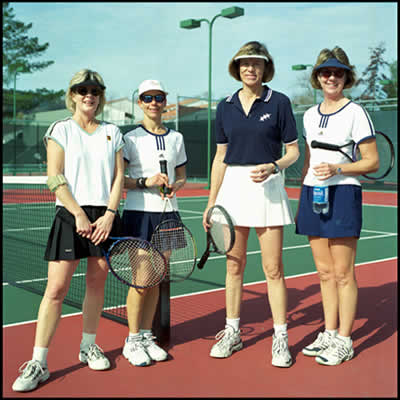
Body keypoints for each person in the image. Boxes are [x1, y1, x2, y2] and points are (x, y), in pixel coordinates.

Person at [12, 69, 125, 392]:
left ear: (100, 96)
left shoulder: (113, 132)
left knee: (96, 284)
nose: (89, 95)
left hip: (103, 218)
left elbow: (118, 177)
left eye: (95, 91)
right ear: (72, 95)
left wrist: (109, 215)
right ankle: (39, 362)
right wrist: (77, 214)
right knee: (56, 289)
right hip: (70, 215)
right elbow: (55, 177)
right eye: (82, 90)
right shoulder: (60, 129)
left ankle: (88, 345)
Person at [203, 41, 300, 367]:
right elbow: (220, 157)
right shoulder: (225, 106)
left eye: (257, 63)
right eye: (245, 63)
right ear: (237, 68)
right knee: (234, 266)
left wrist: (274, 166)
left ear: (265, 68)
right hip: (232, 190)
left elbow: (293, 152)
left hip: (268, 188)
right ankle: (232, 332)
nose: (250, 68)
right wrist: (211, 202)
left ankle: (280, 337)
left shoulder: (280, 102)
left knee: (273, 269)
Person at [295, 47, 379, 366]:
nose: (332, 77)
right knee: (324, 272)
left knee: (343, 273)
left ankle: (345, 340)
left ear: (346, 77)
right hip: (312, 194)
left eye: (338, 72)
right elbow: (309, 159)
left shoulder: (356, 112)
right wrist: (302, 193)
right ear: (317, 77)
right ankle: (329, 332)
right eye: (326, 72)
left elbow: (372, 161)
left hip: (343, 194)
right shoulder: (308, 115)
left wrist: (338, 169)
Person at [121, 79, 188, 366]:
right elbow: (119, 180)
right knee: (141, 279)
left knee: (157, 278)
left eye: (158, 98)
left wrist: (175, 186)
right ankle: (132, 339)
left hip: (168, 213)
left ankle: (147, 336)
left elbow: (182, 176)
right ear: (140, 102)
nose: (153, 103)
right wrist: (144, 182)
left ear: (165, 102)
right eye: (147, 98)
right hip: (139, 213)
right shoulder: (130, 138)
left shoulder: (177, 138)